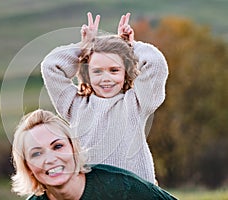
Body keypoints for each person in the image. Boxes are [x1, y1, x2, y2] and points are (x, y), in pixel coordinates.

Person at [40, 12, 168, 184]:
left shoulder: (135, 102)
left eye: (114, 70)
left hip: (136, 191)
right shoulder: (75, 105)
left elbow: (156, 64)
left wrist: (130, 46)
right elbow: (50, 66)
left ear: (126, 71)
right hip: (92, 191)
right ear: (86, 72)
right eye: (97, 71)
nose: (106, 78)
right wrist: (84, 47)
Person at [11, 109, 177, 199]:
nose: (50, 159)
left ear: (74, 148)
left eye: (58, 146)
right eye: (36, 154)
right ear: (28, 167)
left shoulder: (120, 186)